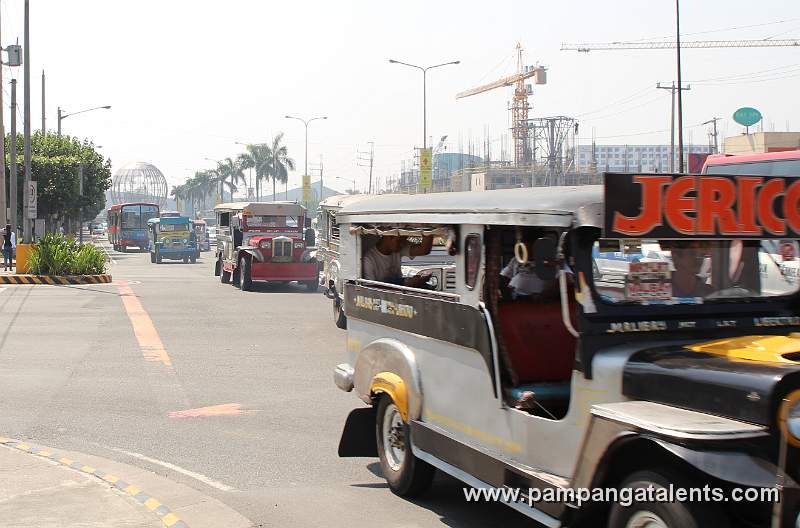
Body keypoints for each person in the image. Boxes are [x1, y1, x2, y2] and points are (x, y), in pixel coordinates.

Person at [362, 235, 433, 287]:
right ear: (388, 237)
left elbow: (424, 250)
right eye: (400, 241)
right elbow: (371, 290)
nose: (402, 244)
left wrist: (428, 231)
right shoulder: (368, 259)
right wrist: (408, 284)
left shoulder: (397, 248)